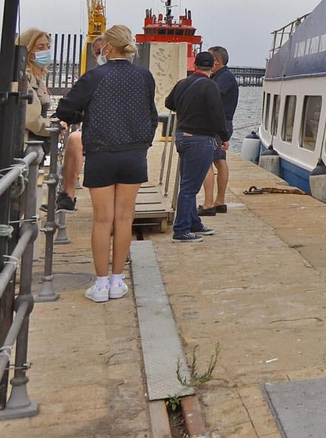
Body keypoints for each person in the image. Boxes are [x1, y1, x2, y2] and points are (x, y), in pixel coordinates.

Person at [54, 24, 158, 303]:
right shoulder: (144, 76)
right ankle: (117, 280)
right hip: (134, 154)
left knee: (102, 220)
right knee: (124, 219)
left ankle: (100, 284)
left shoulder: (95, 76)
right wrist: (143, 144)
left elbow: (67, 108)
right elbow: (151, 113)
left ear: (107, 48)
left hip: (101, 153)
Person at [167, 51, 230, 241]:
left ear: (194, 65)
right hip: (199, 139)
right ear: (212, 66)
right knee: (189, 188)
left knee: (189, 182)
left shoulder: (183, 83)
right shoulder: (210, 86)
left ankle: (194, 223)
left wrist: (187, 108)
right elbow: (218, 115)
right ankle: (181, 230)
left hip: (182, 136)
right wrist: (224, 137)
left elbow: (169, 103)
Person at [54, 36, 104, 213]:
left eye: (103, 50)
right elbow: (73, 107)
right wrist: (69, 118)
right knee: (75, 139)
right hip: (98, 131)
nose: (101, 55)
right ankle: (68, 195)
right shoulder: (91, 78)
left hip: (119, 134)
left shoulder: (93, 77)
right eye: (98, 52)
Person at [200, 46, 239, 217]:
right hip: (222, 123)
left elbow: (211, 95)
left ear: (217, 61)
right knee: (219, 160)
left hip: (217, 123)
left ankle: (210, 203)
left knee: (209, 161)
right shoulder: (222, 76)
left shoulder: (224, 78)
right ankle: (219, 201)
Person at [15, 28, 55, 140]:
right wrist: (52, 128)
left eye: (48, 46)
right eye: (40, 47)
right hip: (24, 144)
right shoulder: (21, 79)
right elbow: (30, 119)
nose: (46, 50)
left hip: (38, 143)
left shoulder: (38, 80)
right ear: (28, 51)